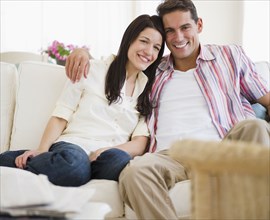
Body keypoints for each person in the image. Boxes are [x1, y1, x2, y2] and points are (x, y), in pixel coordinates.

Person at [65, 0, 270, 218]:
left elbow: (266, 100)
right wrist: (82, 52)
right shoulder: (154, 69)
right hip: (171, 157)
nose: (178, 37)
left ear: (199, 25)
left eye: (185, 28)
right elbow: (117, 65)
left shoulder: (230, 56)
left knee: (256, 127)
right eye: (170, 31)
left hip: (224, 148)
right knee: (134, 172)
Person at [0, 14, 165, 187]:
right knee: (75, 167)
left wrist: (106, 150)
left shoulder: (148, 91)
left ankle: (72, 170)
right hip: (74, 148)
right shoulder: (91, 69)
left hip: (107, 156)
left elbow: (139, 143)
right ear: (129, 40)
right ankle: (12, 163)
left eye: (156, 47)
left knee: (119, 160)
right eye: (144, 41)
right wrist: (42, 150)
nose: (149, 51)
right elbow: (61, 114)